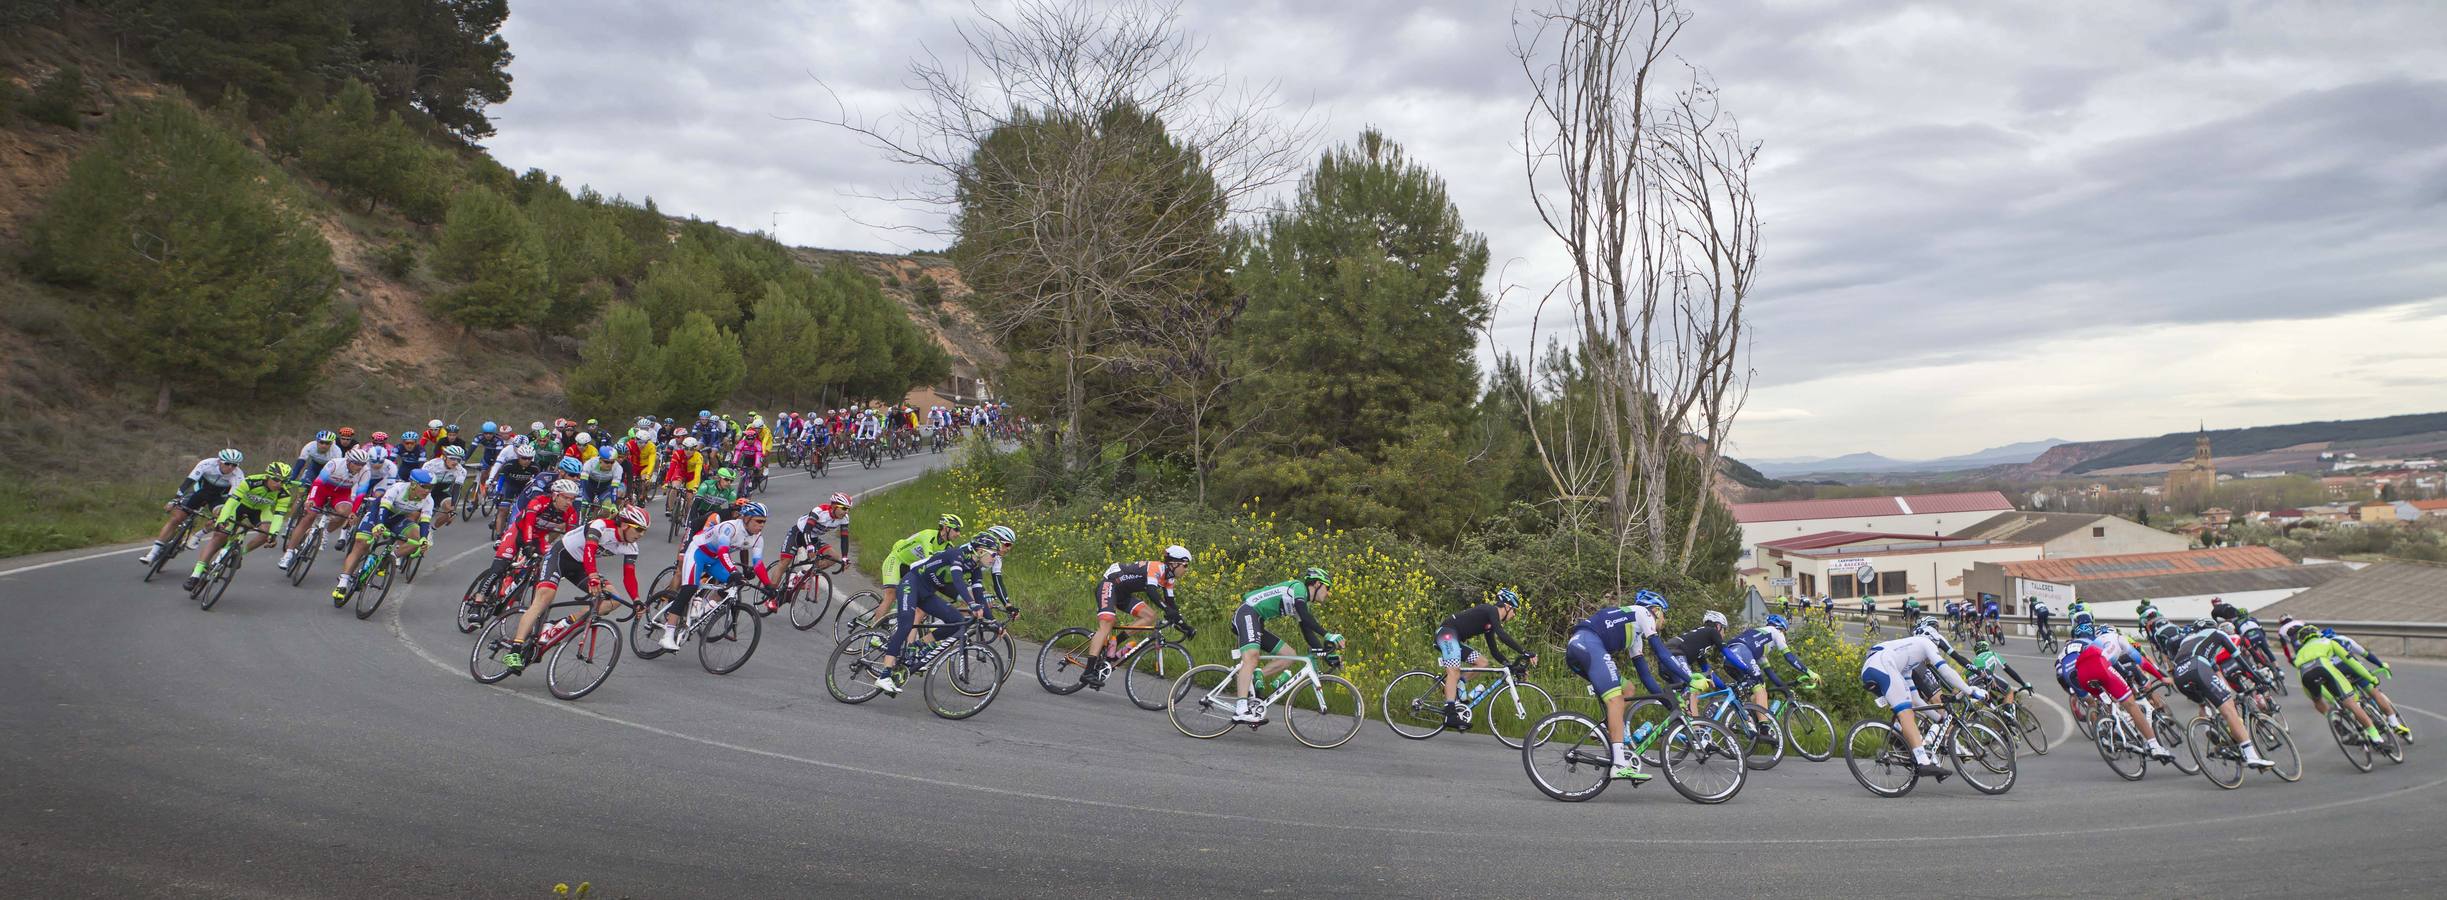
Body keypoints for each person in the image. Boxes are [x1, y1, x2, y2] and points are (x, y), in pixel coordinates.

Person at [500, 505, 648, 672]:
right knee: (544, 598)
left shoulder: (631, 547)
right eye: (639, 529)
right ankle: (515, 649)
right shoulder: (601, 526)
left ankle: (562, 623)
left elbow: (629, 576)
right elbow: (589, 551)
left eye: (644, 531)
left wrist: (636, 599)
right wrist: (593, 577)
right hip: (560, 556)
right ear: (625, 524)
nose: (641, 535)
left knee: (613, 600)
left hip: (581, 567)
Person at [869, 531, 1001, 696]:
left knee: (957, 620)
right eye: (994, 554)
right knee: (906, 624)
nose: (995, 558)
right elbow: (958, 581)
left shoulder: (975, 568)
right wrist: (972, 603)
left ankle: (916, 646)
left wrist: (994, 623)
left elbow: (979, 596)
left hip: (927, 592)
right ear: (981, 550)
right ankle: (885, 674)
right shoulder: (958, 554)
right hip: (912, 583)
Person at [1563, 590, 1673, 781]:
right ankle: (1620, 764)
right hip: (1589, 644)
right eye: (1664, 614)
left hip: (1578, 647)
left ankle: (1607, 730)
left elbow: (1645, 676)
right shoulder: (1643, 613)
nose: (1664, 621)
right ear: (1656, 610)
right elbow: (1662, 654)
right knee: (1615, 700)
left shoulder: (1634, 634)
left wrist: (1670, 705)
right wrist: (1688, 680)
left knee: (1628, 689)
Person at [1860, 625, 1986, 776]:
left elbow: (1916, 700)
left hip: (1871, 670)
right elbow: (1945, 670)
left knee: (1906, 707)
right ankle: (1923, 762)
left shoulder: (1908, 662)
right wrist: (1970, 690)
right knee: (1906, 713)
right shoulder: (1926, 643)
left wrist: (1940, 719)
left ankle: (1901, 736)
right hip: (1883, 665)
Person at [1227, 568, 1342, 724]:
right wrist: (1328, 635)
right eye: (1327, 588)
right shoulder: (1298, 588)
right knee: (1252, 658)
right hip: (1248, 612)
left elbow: (1308, 634)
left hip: (1257, 620)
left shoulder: (1301, 603)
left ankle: (1253, 678)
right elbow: (1306, 617)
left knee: (1289, 655)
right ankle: (1241, 710)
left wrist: (1327, 655)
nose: (1328, 593)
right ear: (1316, 584)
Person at [2052, 623, 2177, 763]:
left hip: (2079, 674)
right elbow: (2140, 661)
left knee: (2100, 702)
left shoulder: (2094, 644)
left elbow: (2061, 676)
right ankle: (2154, 746)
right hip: (2098, 666)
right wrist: (2161, 677)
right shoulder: (2118, 639)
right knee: (2130, 704)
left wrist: (2072, 692)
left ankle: (2108, 732)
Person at [1080, 545, 1193, 689]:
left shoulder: (1169, 579)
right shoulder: (1156, 568)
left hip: (1123, 594)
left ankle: (1114, 643)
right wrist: (1167, 609)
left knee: (1150, 616)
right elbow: (1151, 591)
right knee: (1107, 622)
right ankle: (1088, 671)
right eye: (1185, 565)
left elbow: (1172, 607)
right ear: (1174, 563)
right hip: (1110, 584)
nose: (1186, 569)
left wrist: (1185, 625)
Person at [2169, 619, 2277, 769]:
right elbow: (2240, 659)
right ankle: (2251, 756)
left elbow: (2213, 668)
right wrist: (2258, 679)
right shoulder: (2218, 633)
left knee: (2206, 703)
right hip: (2198, 666)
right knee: (2229, 709)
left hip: (2179, 675)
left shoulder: (2187, 641)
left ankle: (2215, 731)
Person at [182, 463, 295, 592]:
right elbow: (231, 502)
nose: (279, 484)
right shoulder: (251, 481)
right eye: (276, 479)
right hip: (238, 506)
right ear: (267, 477)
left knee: (266, 532)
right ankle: (195, 575)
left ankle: (240, 554)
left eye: (284, 481)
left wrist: (273, 534)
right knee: (220, 536)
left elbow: (278, 516)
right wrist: (222, 520)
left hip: (260, 511)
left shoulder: (284, 494)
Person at [1432, 589, 1537, 728]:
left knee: (1482, 662)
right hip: (1447, 634)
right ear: (1507, 607)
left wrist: (1510, 666)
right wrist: (1525, 652)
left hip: (1454, 639)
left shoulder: (1489, 624)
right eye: (1514, 611)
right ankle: (1450, 715)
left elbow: (1494, 651)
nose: (1514, 615)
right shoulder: (1491, 610)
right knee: (1454, 670)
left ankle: (1459, 684)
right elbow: (1501, 634)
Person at [330, 469, 435, 602]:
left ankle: (390, 557)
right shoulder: (398, 489)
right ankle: (343, 581)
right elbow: (382, 507)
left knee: (416, 537)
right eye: (424, 486)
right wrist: (379, 524)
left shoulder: (428, 500)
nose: (427, 491)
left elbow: (425, 521)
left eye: (430, 488)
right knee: (361, 544)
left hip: (398, 519)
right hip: (378, 514)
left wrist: (424, 539)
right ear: (413, 484)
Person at [2288, 623, 2403, 744]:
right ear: (2317, 634)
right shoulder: (2327, 642)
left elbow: (2300, 674)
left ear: (2301, 641)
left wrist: (2322, 698)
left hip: (2304, 674)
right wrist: (2371, 678)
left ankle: (2335, 719)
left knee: (2317, 701)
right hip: (2324, 667)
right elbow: (2351, 662)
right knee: (2350, 702)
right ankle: (2376, 737)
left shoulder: (2300, 652)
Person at [139, 450, 245, 567]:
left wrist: (224, 514)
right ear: (219, 461)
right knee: (177, 518)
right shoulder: (207, 464)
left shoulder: (238, 475)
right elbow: (189, 481)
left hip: (218, 498)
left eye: (234, 465)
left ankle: (198, 535)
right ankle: (152, 553)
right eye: (227, 463)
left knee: (221, 517)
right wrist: (175, 499)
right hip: (199, 492)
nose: (230, 467)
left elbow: (232, 498)